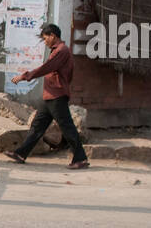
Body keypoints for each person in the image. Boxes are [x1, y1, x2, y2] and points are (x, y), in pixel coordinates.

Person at [6, 22, 90, 169]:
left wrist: (25, 76)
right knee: (37, 126)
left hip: (56, 96)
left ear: (53, 36)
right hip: (50, 96)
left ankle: (80, 158)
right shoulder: (58, 50)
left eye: (46, 38)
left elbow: (47, 68)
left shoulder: (61, 51)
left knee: (67, 127)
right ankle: (21, 153)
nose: (45, 42)